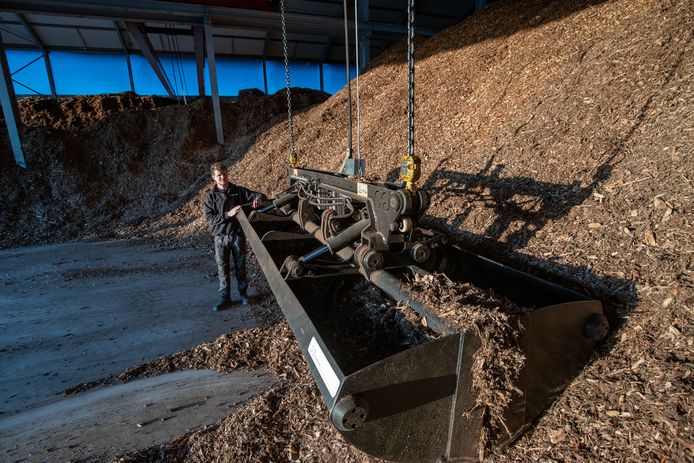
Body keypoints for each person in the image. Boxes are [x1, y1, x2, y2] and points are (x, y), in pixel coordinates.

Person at [204, 162, 264, 311]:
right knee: (223, 269)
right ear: (213, 178)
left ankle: (244, 295)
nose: (222, 177)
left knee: (240, 267)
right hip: (220, 237)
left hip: (237, 236)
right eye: (219, 175)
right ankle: (225, 298)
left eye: (224, 174)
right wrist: (227, 214)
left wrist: (258, 199)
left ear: (227, 173)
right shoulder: (210, 196)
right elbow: (210, 219)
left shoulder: (238, 191)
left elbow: (259, 195)